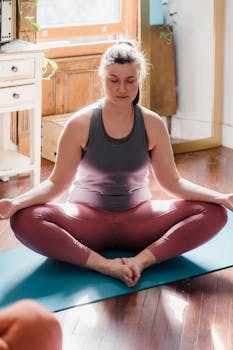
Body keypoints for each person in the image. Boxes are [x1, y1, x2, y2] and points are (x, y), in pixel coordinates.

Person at [0, 40, 232, 288]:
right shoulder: (80, 124)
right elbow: (57, 184)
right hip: (87, 221)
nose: (122, 89)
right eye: (114, 80)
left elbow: (172, 182)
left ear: (140, 78)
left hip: (139, 221)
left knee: (215, 213)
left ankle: (140, 261)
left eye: (130, 80)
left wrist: (220, 197)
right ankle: (103, 265)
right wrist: (16, 203)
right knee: (23, 219)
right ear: (102, 77)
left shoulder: (152, 124)